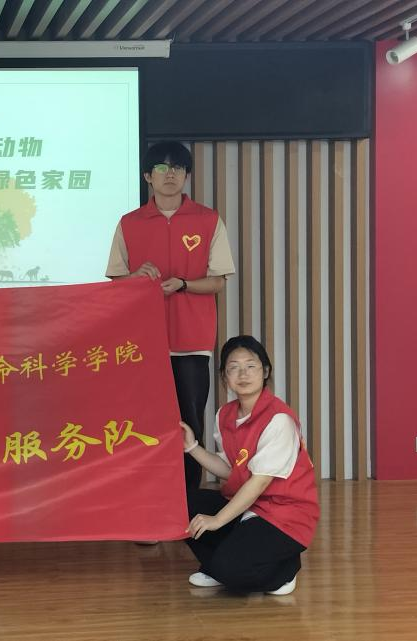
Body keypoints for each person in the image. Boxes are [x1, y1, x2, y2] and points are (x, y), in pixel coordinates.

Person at [106, 141, 235, 494]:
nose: (170, 174)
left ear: (186, 175)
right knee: (143, 422)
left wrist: (183, 284)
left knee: (189, 422)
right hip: (142, 343)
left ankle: (187, 500)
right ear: (148, 176)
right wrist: (135, 279)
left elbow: (219, 281)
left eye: (177, 168)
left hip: (192, 341)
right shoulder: (129, 223)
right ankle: (148, 497)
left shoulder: (208, 220)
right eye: (161, 168)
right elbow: (115, 281)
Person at [180, 335, 319, 595]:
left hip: (283, 514)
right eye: (233, 367)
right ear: (224, 377)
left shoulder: (279, 420)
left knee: (230, 570)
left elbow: (259, 482)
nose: (243, 374)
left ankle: (285, 570)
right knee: (182, 504)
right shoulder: (225, 414)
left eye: (251, 366)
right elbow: (231, 470)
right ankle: (222, 564)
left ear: (265, 371)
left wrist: (217, 520)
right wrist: (191, 447)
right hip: (247, 507)